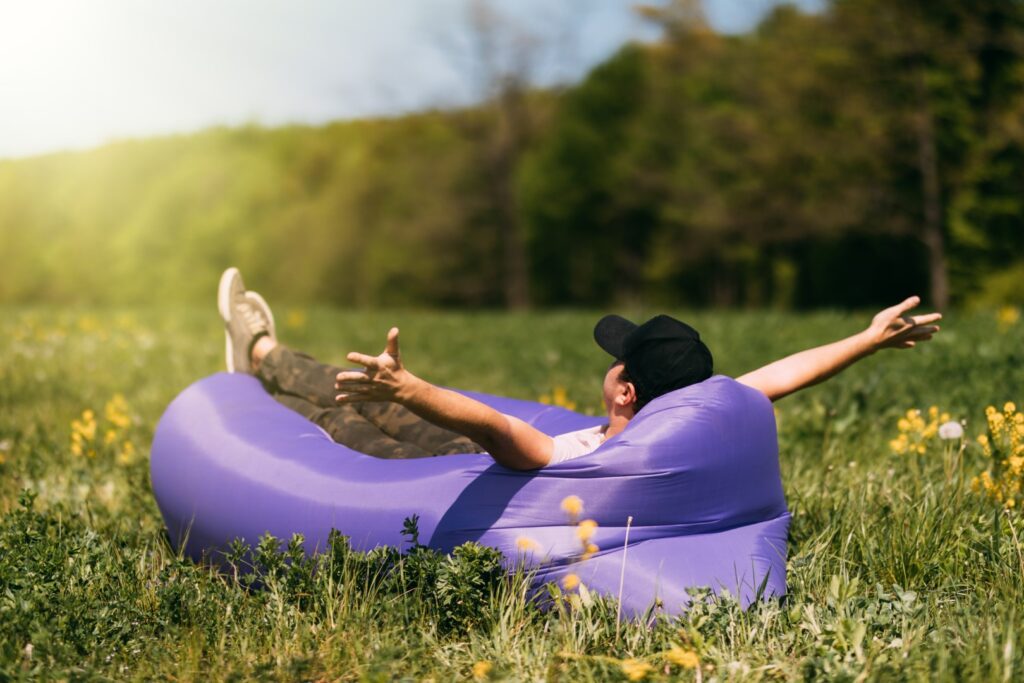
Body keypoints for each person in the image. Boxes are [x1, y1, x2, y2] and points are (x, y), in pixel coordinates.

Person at [218, 267, 941, 470]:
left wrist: (409, 388)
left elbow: (499, 432)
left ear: (625, 389)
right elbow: (785, 375)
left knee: (347, 420)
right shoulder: (686, 424)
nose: (611, 362)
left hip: (450, 462)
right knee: (366, 402)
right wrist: (865, 338)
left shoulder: (587, 463)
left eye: (617, 358)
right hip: (470, 448)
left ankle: (258, 363)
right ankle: (265, 355)